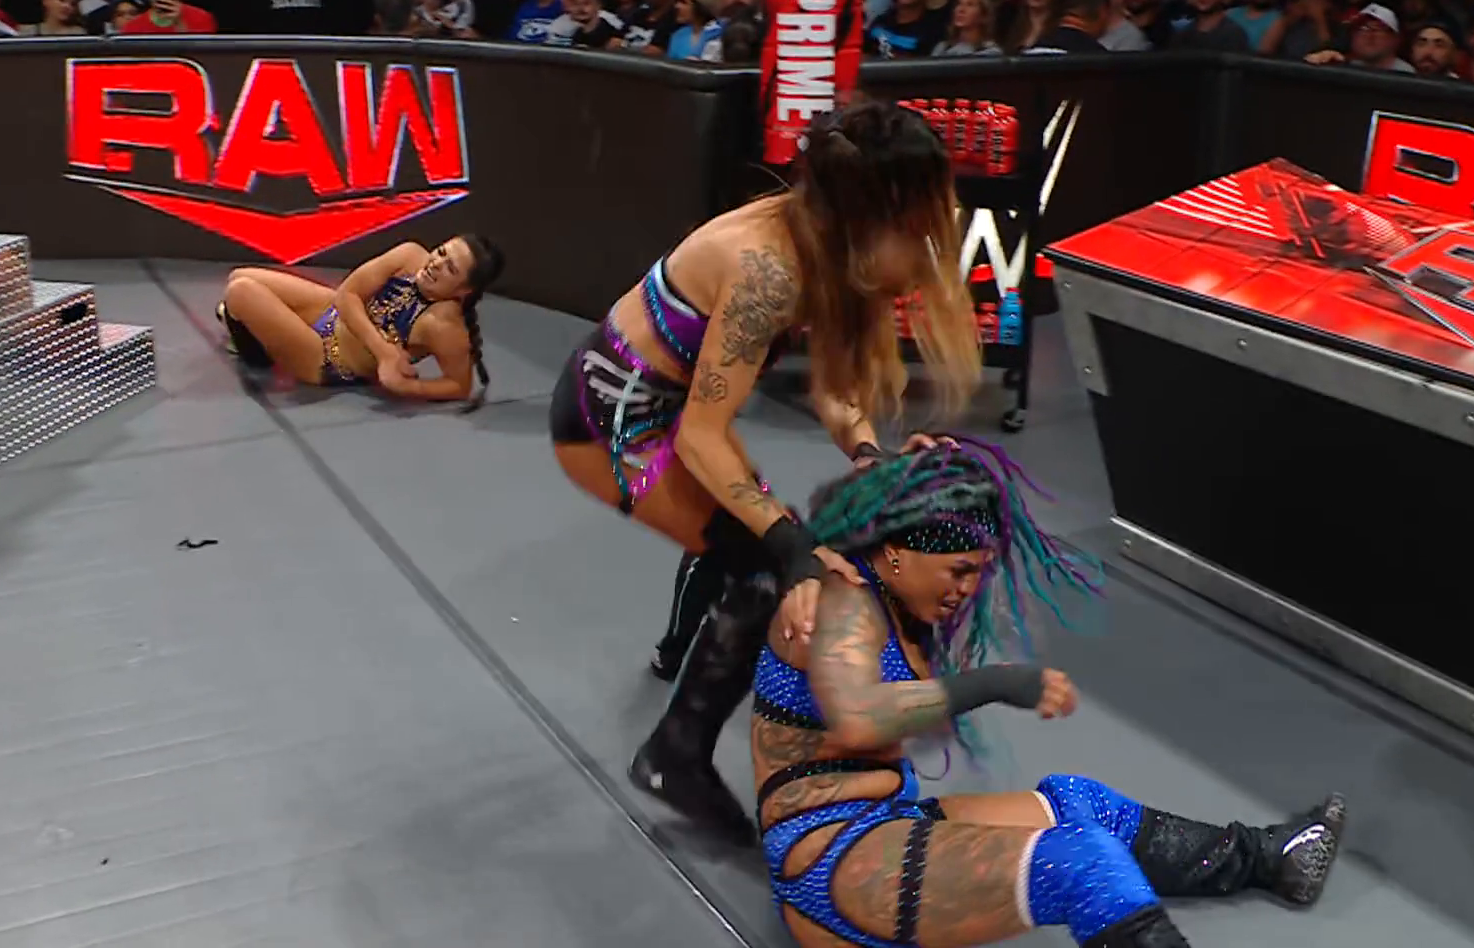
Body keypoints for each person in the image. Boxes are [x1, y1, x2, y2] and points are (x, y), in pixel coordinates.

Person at [550, 100, 983, 840]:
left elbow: (838, 388)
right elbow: (702, 438)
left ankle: (683, 650)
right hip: (611, 425)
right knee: (765, 560)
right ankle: (675, 753)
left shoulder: (828, 238)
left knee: (743, 527)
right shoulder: (767, 269)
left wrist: (870, 458)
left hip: (665, 412)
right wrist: (791, 551)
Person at [757, 441, 1347, 948]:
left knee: (1081, 802)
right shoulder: (839, 603)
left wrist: (915, 463)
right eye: (958, 570)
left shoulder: (887, 589)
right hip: (827, 864)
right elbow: (858, 719)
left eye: (978, 572)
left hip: (883, 823)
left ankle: (1270, 857)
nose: (968, 589)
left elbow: (881, 482)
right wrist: (998, 683)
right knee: (1082, 863)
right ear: (896, 553)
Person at [218, 234, 504, 407]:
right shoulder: (409, 255)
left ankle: (258, 351)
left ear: (464, 290)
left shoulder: (444, 326)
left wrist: (407, 387)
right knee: (239, 276)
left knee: (240, 292)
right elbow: (347, 294)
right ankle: (256, 327)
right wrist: (384, 352)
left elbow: (459, 385)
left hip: (327, 358)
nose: (436, 264)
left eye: (450, 268)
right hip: (331, 311)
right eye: (441, 252)